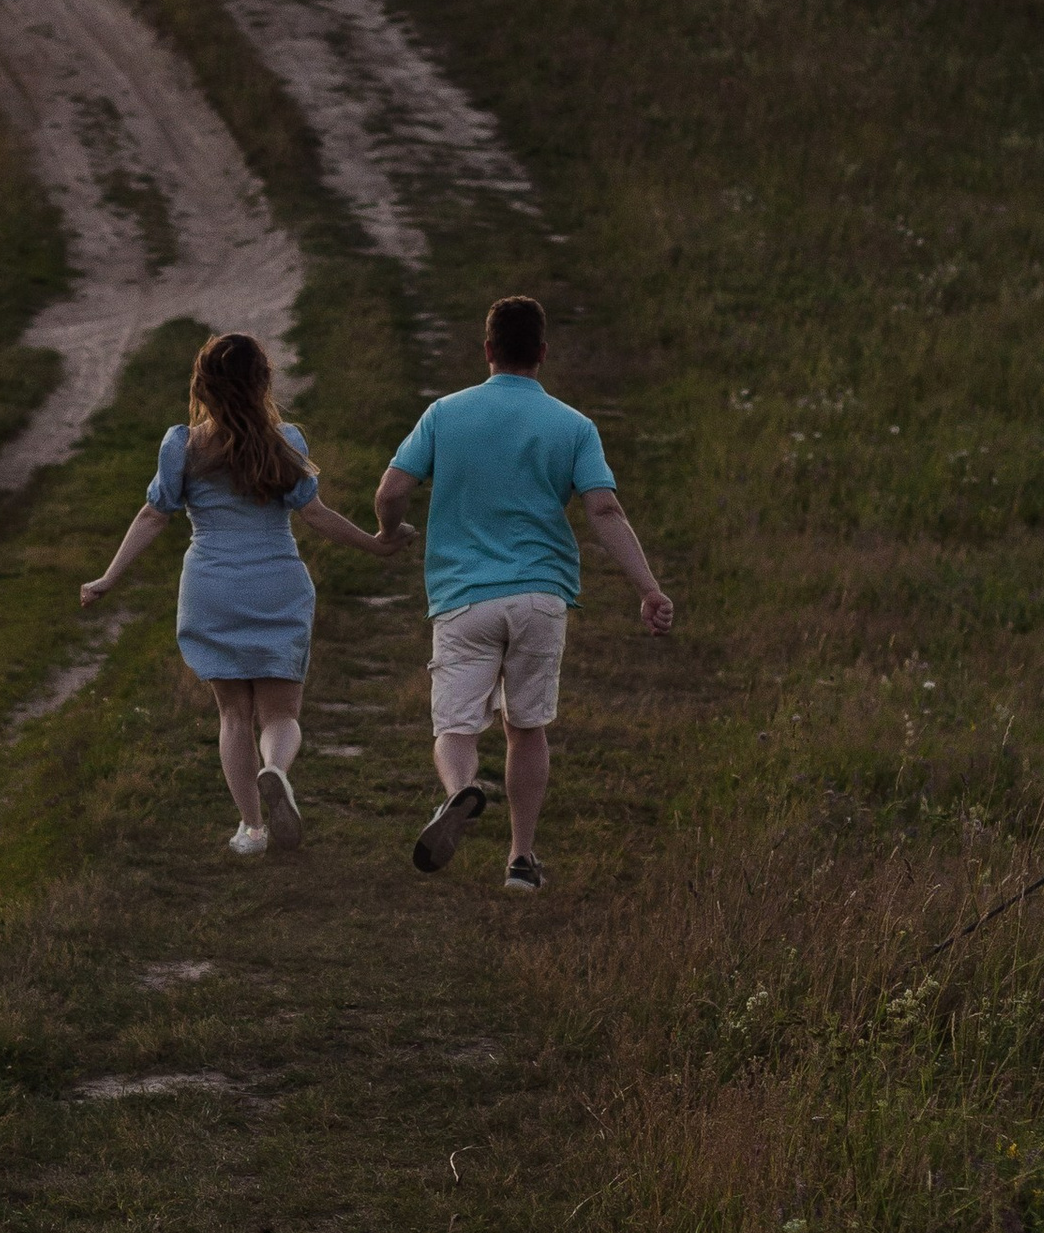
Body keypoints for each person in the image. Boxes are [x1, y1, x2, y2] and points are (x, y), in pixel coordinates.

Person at [374, 293, 671, 892]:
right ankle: (521, 860)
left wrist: (388, 531)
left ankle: (460, 791)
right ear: (542, 353)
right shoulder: (573, 425)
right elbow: (604, 509)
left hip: (463, 597)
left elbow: (392, 488)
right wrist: (648, 588)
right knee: (526, 728)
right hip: (540, 597)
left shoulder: (444, 414)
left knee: (455, 727)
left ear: (487, 351)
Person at [82, 331, 403, 856]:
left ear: (202, 387)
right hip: (277, 582)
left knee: (233, 715)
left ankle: (251, 830)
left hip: (212, 588)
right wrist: (377, 544)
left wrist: (109, 577)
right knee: (280, 714)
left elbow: (152, 515)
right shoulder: (287, 443)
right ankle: (275, 769)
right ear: (263, 383)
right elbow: (316, 516)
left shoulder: (182, 446)